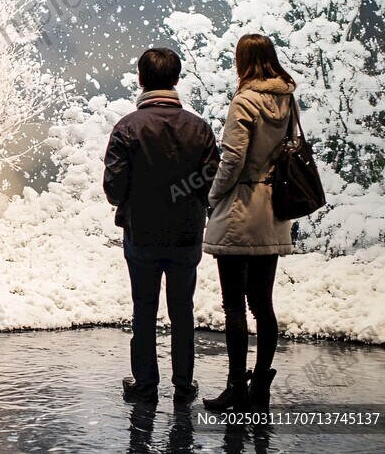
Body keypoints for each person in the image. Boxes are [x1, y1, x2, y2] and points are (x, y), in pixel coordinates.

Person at [103, 48, 220, 404]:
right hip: (186, 234)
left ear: (141, 79)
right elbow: (212, 180)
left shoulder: (127, 128)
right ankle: (184, 385)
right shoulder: (198, 127)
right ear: (176, 79)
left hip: (142, 234)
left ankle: (145, 384)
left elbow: (113, 189)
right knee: (183, 308)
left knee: (144, 307)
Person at [202, 33, 297, 414]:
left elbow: (232, 159)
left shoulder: (244, 101)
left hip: (241, 208)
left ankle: (235, 388)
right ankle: (260, 383)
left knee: (234, 306)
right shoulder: (288, 99)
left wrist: (213, 196)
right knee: (263, 303)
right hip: (272, 209)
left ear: (244, 61)